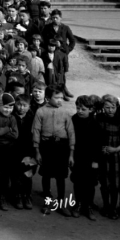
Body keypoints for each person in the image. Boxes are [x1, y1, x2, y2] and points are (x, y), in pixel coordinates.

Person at [32, 86, 75, 215]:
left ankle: (61, 203)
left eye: (61, 98)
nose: (60, 100)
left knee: (60, 177)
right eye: (56, 98)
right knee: (46, 176)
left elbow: (71, 133)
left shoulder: (66, 112)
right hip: (46, 147)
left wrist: (71, 154)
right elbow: (36, 131)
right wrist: (37, 152)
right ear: (48, 98)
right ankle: (47, 202)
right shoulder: (40, 112)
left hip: (61, 148)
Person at [95, 94, 120, 220]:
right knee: (104, 183)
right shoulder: (99, 119)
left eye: (113, 107)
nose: (110, 110)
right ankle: (106, 205)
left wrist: (115, 149)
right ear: (103, 107)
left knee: (115, 185)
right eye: (107, 107)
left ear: (117, 107)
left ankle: (113, 208)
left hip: (116, 157)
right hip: (103, 156)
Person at [71, 95, 101, 220]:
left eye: (83, 109)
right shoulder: (73, 120)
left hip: (90, 158)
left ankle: (88, 206)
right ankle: (78, 204)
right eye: (78, 108)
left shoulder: (95, 123)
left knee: (90, 183)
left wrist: (95, 161)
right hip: (77, 156)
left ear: (90, 109)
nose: (79, 111)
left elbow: (98, 144)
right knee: (78, 182)